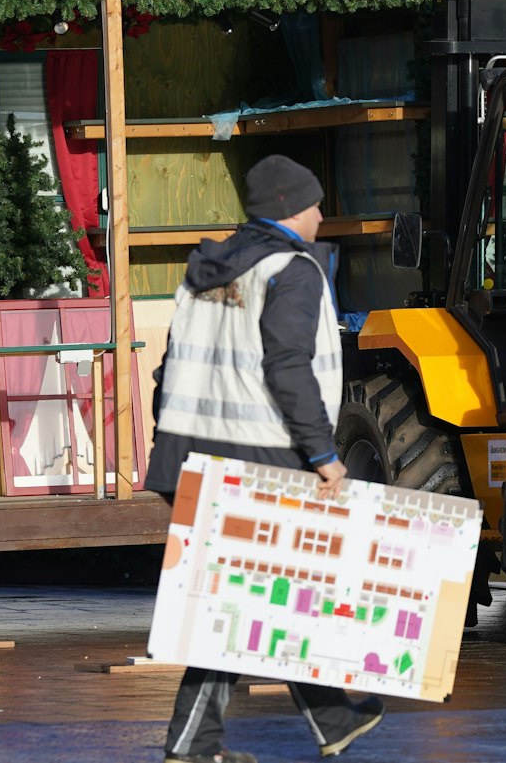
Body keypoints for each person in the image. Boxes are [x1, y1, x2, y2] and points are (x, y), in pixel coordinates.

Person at [146, 155, 385, 763]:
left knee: (257, 595)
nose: (322, 215)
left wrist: (171, 440)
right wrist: (324, 455)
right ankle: (199, 744)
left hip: (188, 451)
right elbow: (287, 367)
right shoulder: (293, 269)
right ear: (289, 210)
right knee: (250, 598)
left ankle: (327, 720)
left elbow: (170, 363)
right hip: (257, 454)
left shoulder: (208, 269)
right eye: (315, 205)